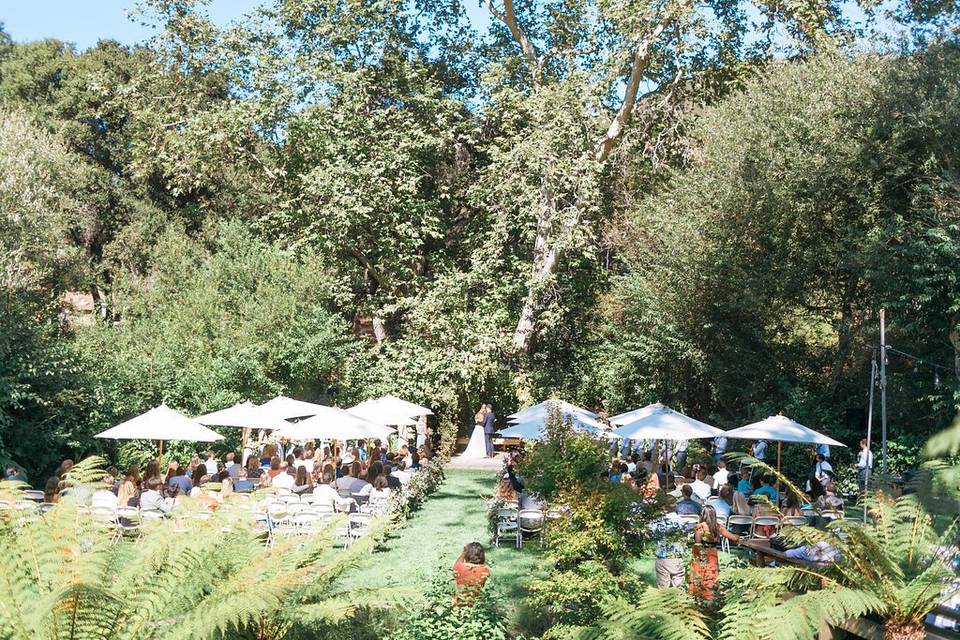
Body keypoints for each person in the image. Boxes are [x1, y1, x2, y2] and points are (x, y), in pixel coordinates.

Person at [689, 505, 740, 600]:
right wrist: (738, 536)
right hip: (713, 552)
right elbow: (733, 538)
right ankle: (711, 596)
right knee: (711, 574)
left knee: (699, 573)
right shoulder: (718, 526)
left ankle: (698, 596)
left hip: (701, 551)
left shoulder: (700, 527)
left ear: (703, 515)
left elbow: (698, 541)